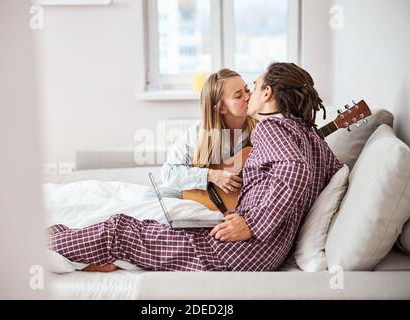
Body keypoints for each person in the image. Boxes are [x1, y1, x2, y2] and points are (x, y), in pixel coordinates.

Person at [47, 63, 342, 272]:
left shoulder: (269, 129)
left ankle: (38, 243)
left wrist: (252, 224)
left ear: (267, 94)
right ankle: (79, 257)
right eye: (241, 92)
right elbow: (328, 170)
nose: (250, 93)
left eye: (254, 86)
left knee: (119, 231)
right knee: (143, 231)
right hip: (261, 251)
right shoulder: (307, 134)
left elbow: (294, 170)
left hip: (241, 252)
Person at [161, 69, 256, 194]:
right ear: (222, 108)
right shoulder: (198, 134)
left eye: (247, 90)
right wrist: (211, 175)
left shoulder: (260, 127)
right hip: (206, 196)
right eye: (238, 96)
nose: (248, 97)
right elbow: (168, 173)